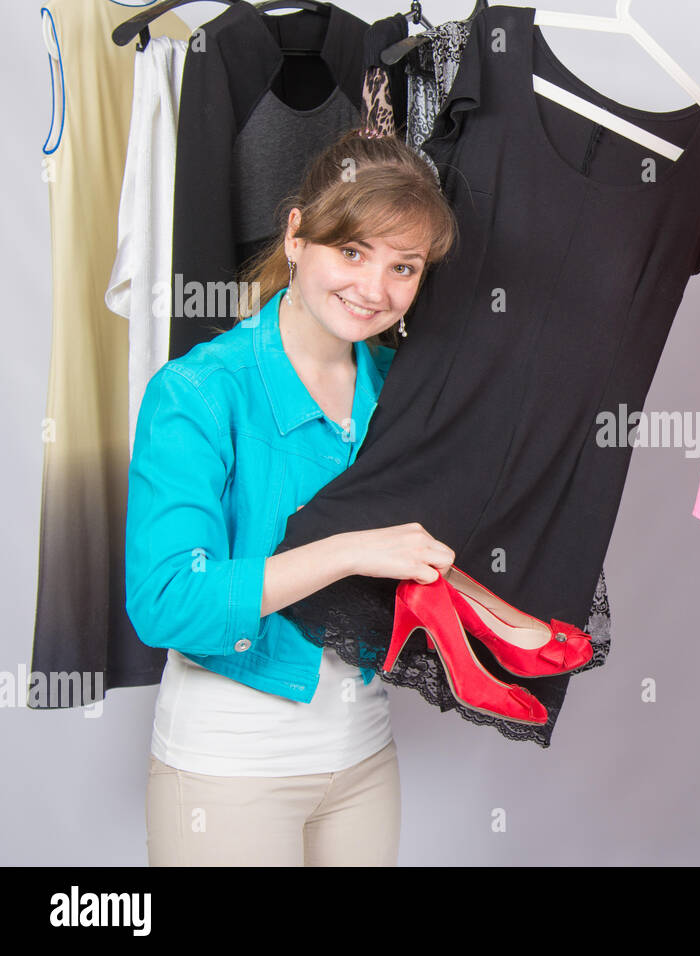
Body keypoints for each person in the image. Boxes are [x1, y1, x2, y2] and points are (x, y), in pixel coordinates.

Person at [126, 129, 458, 866]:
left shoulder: (402, 392)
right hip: (229, 770)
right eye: (352, 252)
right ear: (297, 234)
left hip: (364, 759)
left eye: (403, 267)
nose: (374, 289)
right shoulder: (197, 393)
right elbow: (167, 601)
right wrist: (346, 551)